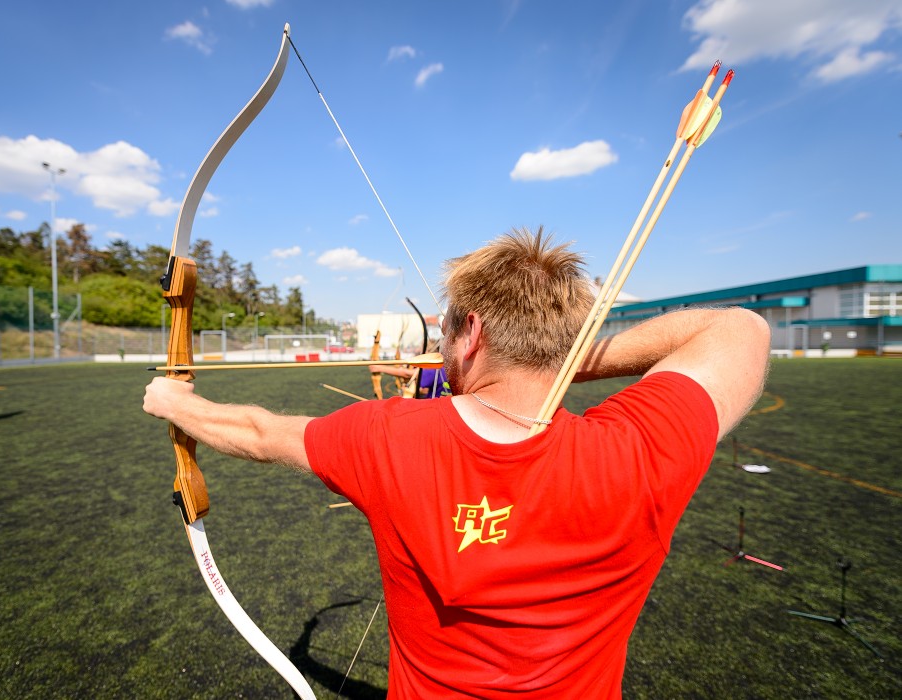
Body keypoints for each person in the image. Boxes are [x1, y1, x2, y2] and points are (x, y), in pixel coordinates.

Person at [143, 227, 770, 698]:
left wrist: (175, 402)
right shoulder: (644, 449)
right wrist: (557, 357)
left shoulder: (388, 437)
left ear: (471, 333)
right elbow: (743, 329)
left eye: (447, 332)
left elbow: (259, 433)